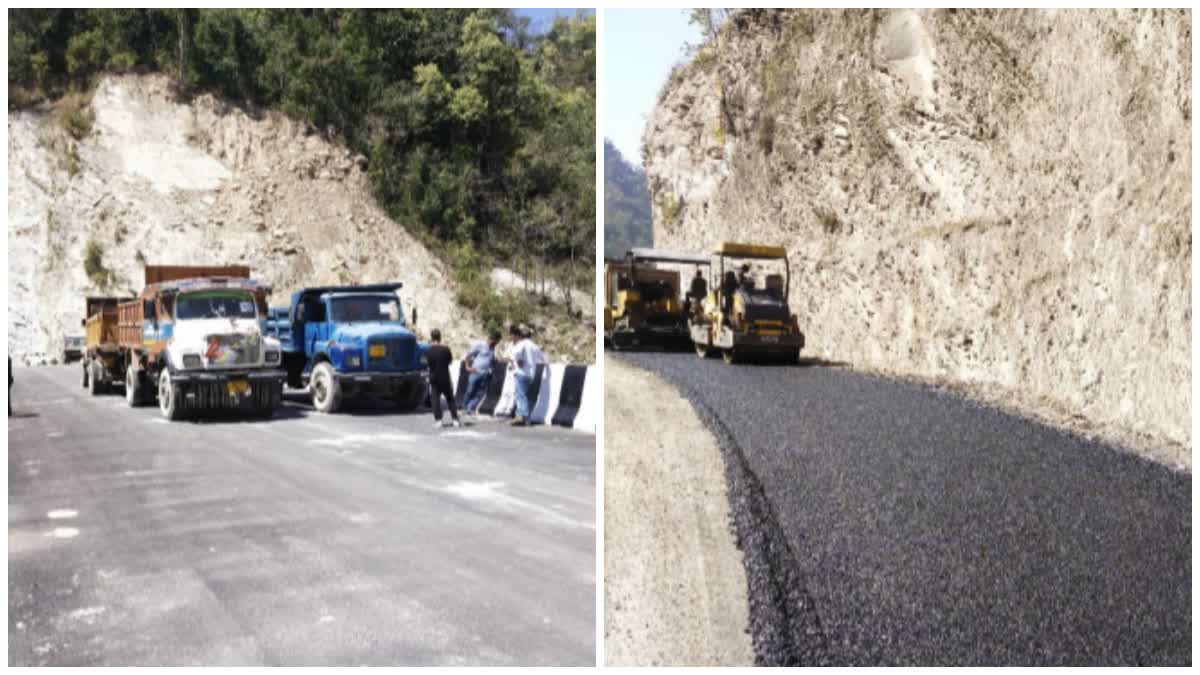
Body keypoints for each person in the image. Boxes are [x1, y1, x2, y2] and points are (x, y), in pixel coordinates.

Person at [508, 324, 544, 427]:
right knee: (524, 395)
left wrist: (519, 361)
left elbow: (517, 353)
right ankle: (524, 418)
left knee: (520, 395)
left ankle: (523, 416)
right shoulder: (534, 346)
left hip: (521, 372)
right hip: (530, 374)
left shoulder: (521, 344)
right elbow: (542, 357)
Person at [423, 329, 460, 429]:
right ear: (440, 337)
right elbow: (450, 361)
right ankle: (455, 419)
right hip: (445, 377)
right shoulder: (446, 349)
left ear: (432, 338)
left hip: (434, 378)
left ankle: (439, 420)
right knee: (450, 399)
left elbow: (427, 364)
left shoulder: (428, 350)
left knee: (435, 399)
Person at [463, 329, 501, 415]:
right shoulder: (480, 345)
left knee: (479, 393)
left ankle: (470, 408)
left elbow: (491, 360)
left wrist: (496, 360)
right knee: (470, 390)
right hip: (475, 372)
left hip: (486, 374)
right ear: (492, 339)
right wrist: (467, 366)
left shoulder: (493, 349)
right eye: (497, 341)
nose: (497, 343)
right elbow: (469, 355)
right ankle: (464, 407)